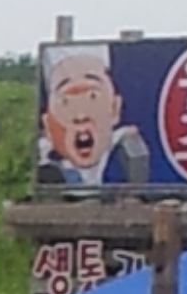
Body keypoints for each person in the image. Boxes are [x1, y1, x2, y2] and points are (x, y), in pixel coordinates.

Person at [39, 43, 150, 186]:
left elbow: (130, 140)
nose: (80, 116)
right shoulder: (45, 154)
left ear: (115, 108)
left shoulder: (114, 139)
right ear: (48, 123)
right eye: (66, 102)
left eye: (92, 97)